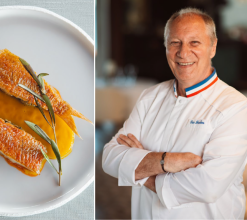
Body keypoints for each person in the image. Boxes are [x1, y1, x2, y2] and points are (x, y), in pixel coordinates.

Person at [102, 7, 247, 219]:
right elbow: (110, 157)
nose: (183, 52)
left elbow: (207, 187)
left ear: (213, 47)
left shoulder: (235, 106)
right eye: (174, 42)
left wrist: (140, 171)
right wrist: (166, 161)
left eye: (194, 42)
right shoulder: (149, 97)